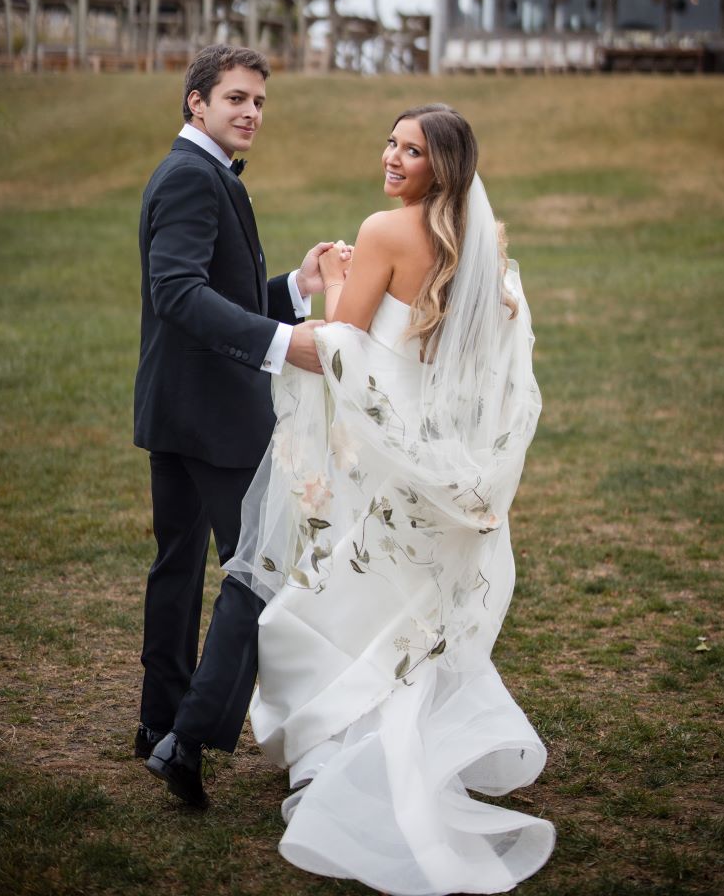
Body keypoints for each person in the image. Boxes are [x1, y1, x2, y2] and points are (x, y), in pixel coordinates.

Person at [227, 104, 555, 893]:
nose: (393, 159)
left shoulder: (382, 231)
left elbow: (345, 339)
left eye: (412, 151)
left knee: (346, 598)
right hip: (443, 467)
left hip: (382, 460)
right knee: (407, 609)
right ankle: (396, 734)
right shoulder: (486, 244)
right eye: (391, 143)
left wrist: (335, 276)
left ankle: (354, 751)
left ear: (442, 165)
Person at [133, 43, 345, 808]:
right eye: (235, 99)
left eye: (259, 101)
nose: (251, 112)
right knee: (260, 571)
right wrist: (286, 343)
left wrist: (295, 288)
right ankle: (185, 741)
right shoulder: (193, 176)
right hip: (216, 415)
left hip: (176, 406)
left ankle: (157, 721)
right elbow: (179, 295)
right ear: (197, 102)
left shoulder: (199, 171)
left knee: (180, 568)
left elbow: (218, 290)